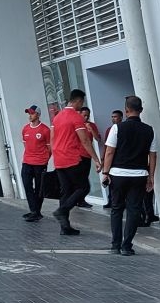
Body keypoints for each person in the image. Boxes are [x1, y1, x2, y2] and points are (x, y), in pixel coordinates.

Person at [102, 96, 156, 256]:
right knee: (134, 210)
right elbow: (152, 155)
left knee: (117, 209)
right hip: (139, 175)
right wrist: (150, 176)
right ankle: (127, 246)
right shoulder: (149, 130)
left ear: (126, 110)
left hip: (117, 174)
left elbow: (110, 151)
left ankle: (115, 245)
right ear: (141, 110)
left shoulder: (117, 128)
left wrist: (105, 172)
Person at [50, 89, 101, 235]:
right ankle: (62, 211)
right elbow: (85, 140)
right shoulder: (76, 117)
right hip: (71, 158)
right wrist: (96, 159)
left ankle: (64, 227)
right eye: (82, 102)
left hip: (59, 159)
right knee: (83, 188)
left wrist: (55, 154)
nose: (82, 105)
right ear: (78, 101)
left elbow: (52, 139)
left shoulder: (57, 117)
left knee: (66, 192)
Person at [21, 105, 51, 222]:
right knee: (27, 185)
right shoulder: (25, 129)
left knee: (39, 188)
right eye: (29, 113)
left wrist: (45, 160)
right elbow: (26, 144)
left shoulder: (45, 130)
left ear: (38, 114)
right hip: (27, 162)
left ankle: (36, 211)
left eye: (32, 113)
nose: (30, 115)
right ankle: (34, 210)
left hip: (40, 163)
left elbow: (50, 148)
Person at [76, 106, 101, 208]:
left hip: (88, 155)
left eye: (87, 115)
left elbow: (98, 139)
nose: (86, 117)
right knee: (79, 178)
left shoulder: (91, 125)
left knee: (84, 177)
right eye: (84, 115)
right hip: (78, 155)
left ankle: (81, 199)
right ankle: (79, 199)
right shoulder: (77, 125)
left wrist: (92, 129)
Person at [102, 110, 124, 209]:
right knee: (110, 181)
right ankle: (110, 200)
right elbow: (107, 146)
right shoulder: (109, 130)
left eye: (115, 117)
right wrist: (103, 158)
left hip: (120, 159)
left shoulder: (123, 129)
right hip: (111, 158)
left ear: (121, 117)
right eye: (112, 117)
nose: (113, 119)